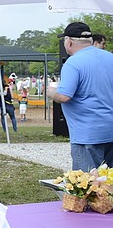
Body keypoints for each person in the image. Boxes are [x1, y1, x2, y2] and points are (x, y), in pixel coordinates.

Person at [48, 22, 113, 171]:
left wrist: (50, 91)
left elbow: (64, 96)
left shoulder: (73, 63)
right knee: (109, 180)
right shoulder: (110, 57)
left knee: (86, 180)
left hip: (87, 134)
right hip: (110, 130)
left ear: (69, 41)